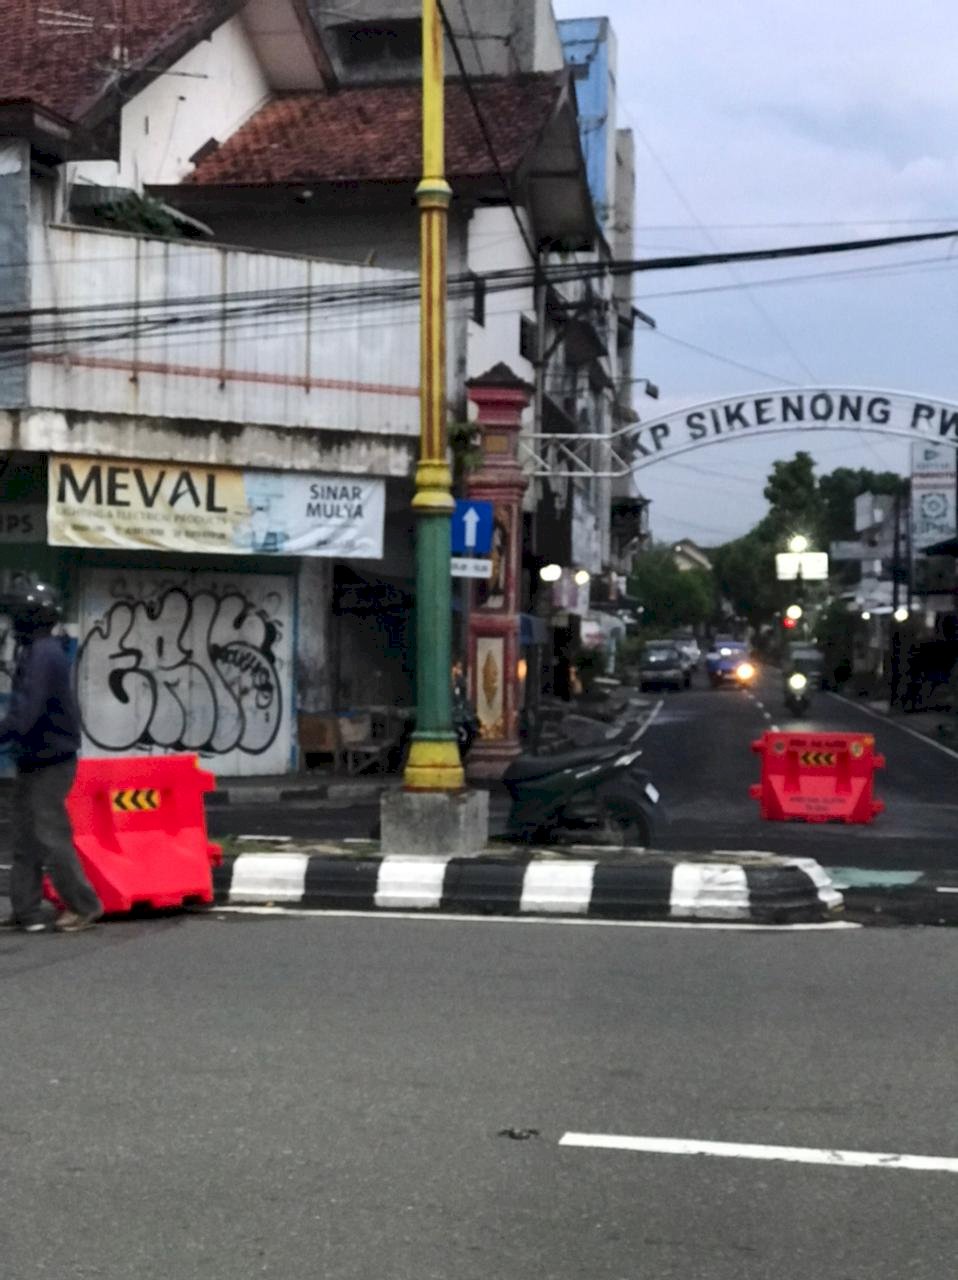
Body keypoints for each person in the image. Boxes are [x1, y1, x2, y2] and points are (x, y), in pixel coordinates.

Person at [0, 582, 102, 934]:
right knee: (25, 836)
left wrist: (4, 734)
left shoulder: (43, 655)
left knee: (50, 835)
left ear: (25, 618)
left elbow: (27, 712)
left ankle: (83, 905)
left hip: (51, 760)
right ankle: (25, 910)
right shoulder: (38, 650)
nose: (10, 623)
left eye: (13, 615)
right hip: (36, 756)